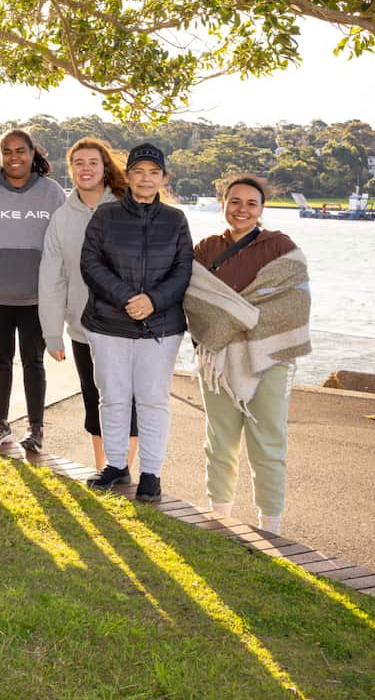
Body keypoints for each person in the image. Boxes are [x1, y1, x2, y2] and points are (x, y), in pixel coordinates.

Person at [185, 176, 311, 535]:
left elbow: (294, 302)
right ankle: (219, 518)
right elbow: (194, 300)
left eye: (251, 204)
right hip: (217, 360)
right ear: (222, 203)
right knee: (220, 441)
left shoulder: (281, 246)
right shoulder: (206, 249)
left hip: (269, 358)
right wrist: (236, 319)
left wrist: (235, 317)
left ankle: (269, 526)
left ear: (261, 210)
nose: (242, 209)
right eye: (234, 201)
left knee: (268, 443)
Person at [82, 143, 193, 503]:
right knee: (112, 397)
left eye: (154, 172)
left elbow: (183, 269)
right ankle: (115, 465)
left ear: (163, 178)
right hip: (109, 322)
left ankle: (151, 473)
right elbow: (91, 264)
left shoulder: (176, 220)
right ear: (128, 176)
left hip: (161, 327)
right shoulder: (105, 216)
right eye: (139, 172)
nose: (146, 179)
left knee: (153, 400)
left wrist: (153, 301)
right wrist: (127, 298)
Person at [38, 137, 139, 471]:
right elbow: (52, 279)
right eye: (78, 162)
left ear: (104, 166)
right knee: (93, 399)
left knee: (128, 400)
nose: (85, 168)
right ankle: (103, 469)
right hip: (83, 328)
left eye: (93, 162)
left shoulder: (130, 207)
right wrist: (52, 334)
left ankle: (121, 469)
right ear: (71, 169)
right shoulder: (61, 218)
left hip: (128, 327)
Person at [0, 129, 64, 453]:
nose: (14, 157)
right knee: (0, 360)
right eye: (7, 151)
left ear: (33, 153)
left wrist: (53, 284)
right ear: (1, 155)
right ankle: (0, 424)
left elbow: (62, 243)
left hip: (37, 296)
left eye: (20, 150)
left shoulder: (51, 193)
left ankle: (36, 429)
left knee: (34, 361)